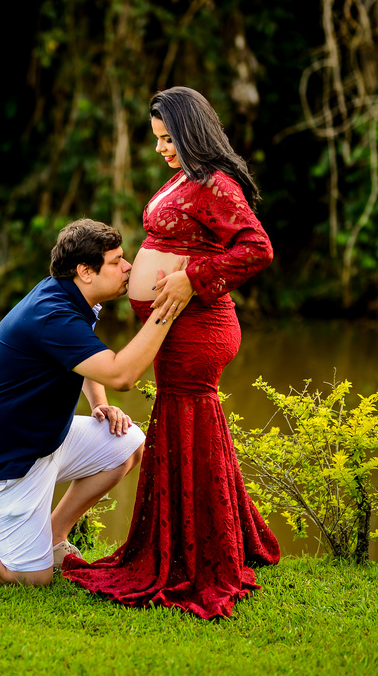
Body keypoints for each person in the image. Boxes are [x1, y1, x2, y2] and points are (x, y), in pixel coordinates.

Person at [61, 86, 281, 618]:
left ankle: (196, 556)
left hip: (199, 325)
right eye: (157, 139)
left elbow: (258, 248)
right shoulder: (186, 177)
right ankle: (207, 541)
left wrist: (192, 279)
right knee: (187, 427)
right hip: (178, 326)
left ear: (190, 131)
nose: (161, 147)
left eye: (168, 138)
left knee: (187, 424)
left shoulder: (216, 184)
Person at [0, 218, 191, 586]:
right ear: (85, 272)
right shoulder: (52, 314)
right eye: (117, 260)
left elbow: (85, 357)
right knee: (31, 578)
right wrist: (167, 308)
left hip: (44, 440)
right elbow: (122, 374)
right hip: (1, 461)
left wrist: (97, 403)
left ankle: (53, 538)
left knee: (127, 443)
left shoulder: (71, 297)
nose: (128, 267)